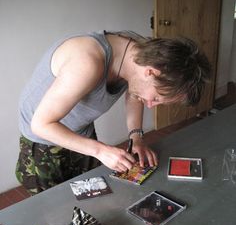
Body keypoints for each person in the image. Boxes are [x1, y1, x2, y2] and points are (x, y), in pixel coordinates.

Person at [15, 30, 210, 195]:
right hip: (43, 141)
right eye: (157, 97)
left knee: (92, 194)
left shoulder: (136, 56)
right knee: (53, 204)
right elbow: (41, 124)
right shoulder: (86, 62)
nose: (151, 105)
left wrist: (136, 137)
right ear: (150, 73)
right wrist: (100, 150)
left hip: (81, 132)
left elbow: (135, 93)